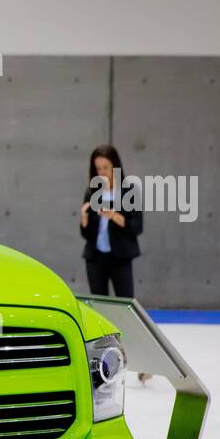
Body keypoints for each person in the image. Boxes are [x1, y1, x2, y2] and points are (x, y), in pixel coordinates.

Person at [79, 144, 150, 383]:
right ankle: (103, 364)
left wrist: (115, 216)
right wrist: (84, 216)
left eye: (106, 168)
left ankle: (146, 362)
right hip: (96, 258)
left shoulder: (127, 189)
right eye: (98, 168)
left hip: (120, 257)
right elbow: (87, 234)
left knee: (128, 311)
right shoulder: (92, 191)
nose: (102, 172)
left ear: (115, 167)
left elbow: (136, 227)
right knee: (99, 314)